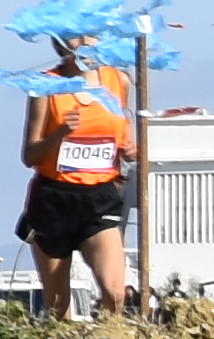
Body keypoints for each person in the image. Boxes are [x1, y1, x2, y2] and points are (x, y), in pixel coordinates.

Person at [21, 36, 141, 322]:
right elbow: (29, 155)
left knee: (115, 293)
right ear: (62, 46)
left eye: (92, 33)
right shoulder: (45, 86)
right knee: (59, 310)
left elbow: (124, 137)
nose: (88, 40)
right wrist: (60, 132)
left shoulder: (119, 81)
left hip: (101, 197)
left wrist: (133, 149)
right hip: (54, 199)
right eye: (78, 35)